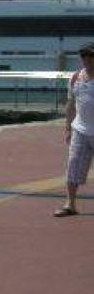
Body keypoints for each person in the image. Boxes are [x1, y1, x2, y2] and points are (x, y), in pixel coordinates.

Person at [54, 42, 94, 217]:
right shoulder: (76, 77)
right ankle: (70, 204)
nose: (87, 59)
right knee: (73, 165)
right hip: (80, 129)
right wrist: (68, 129)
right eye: (84, 55)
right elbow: (70, 105)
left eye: (91, 55)